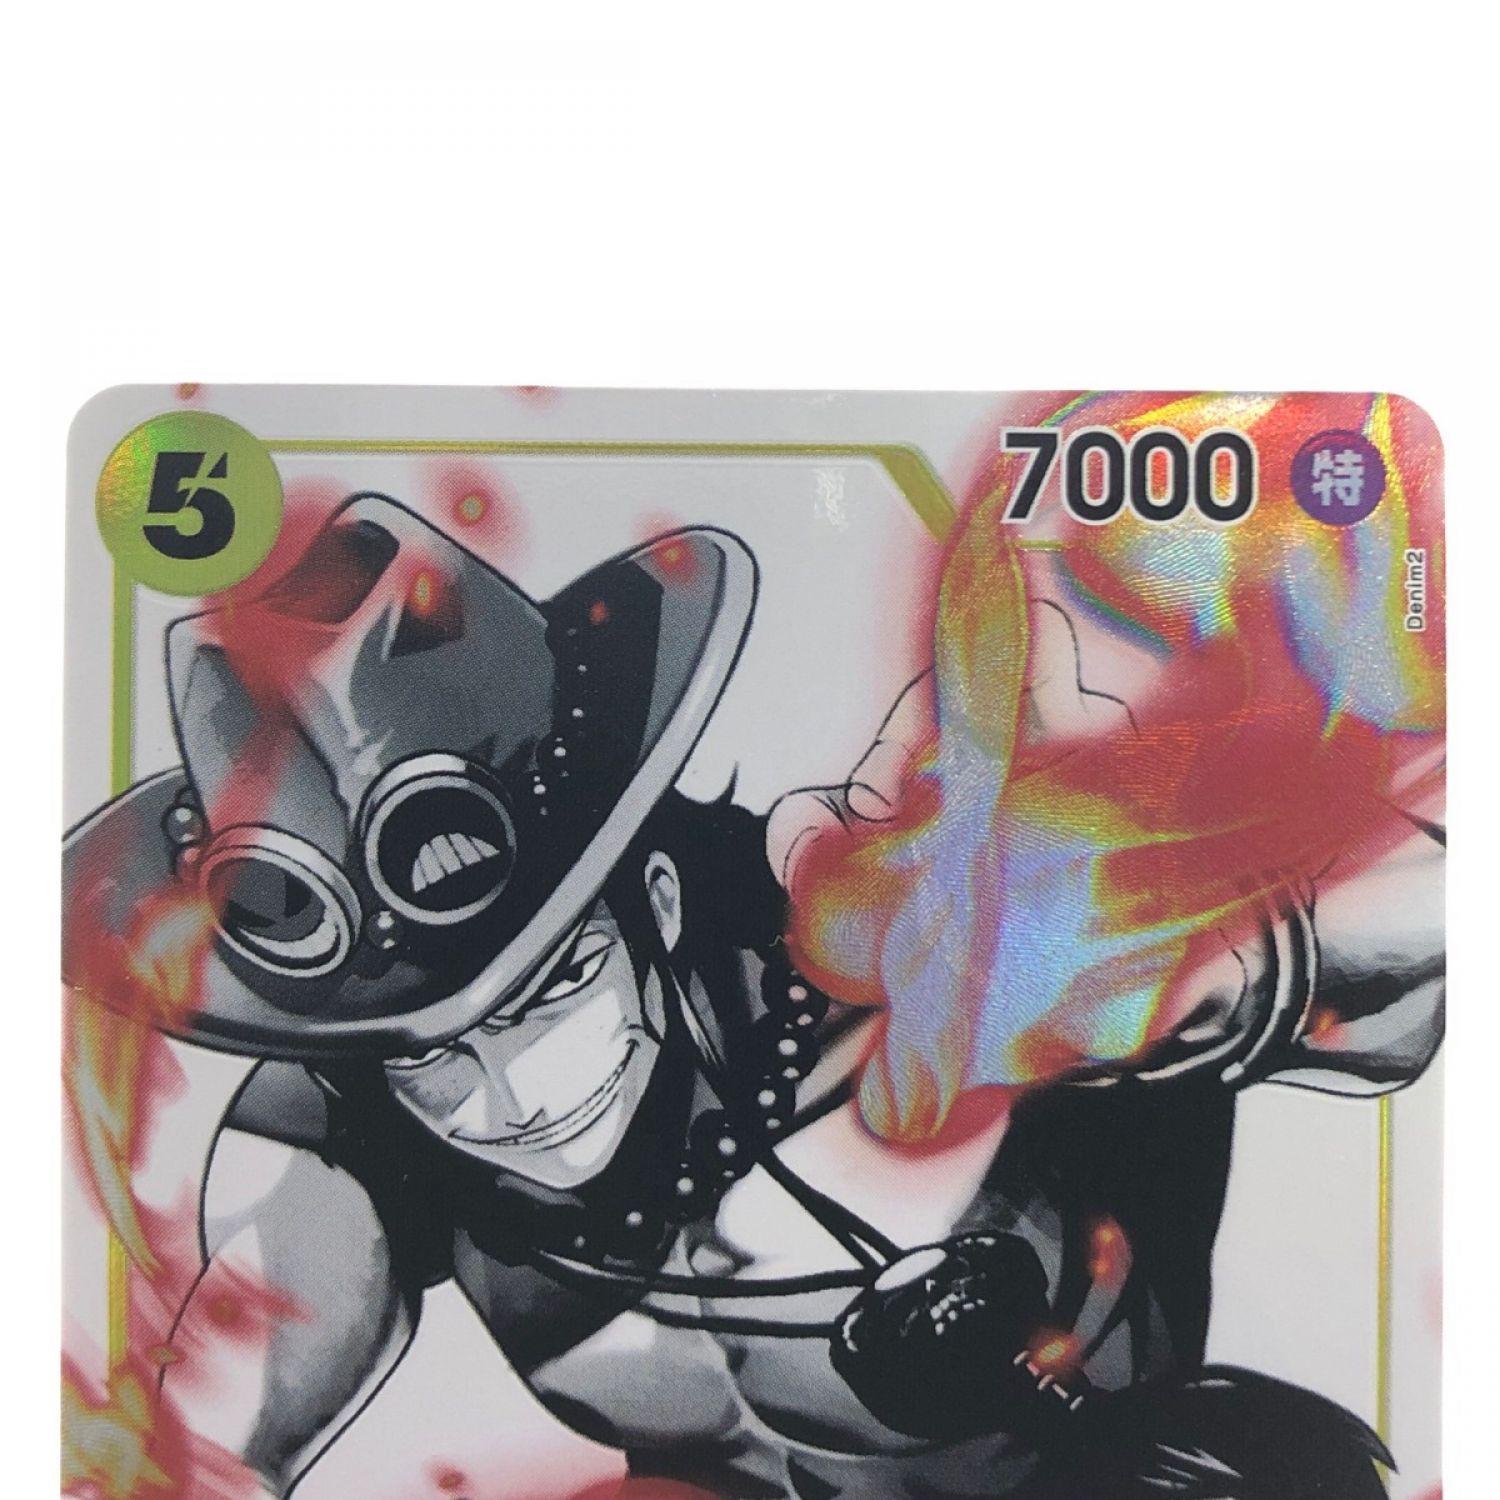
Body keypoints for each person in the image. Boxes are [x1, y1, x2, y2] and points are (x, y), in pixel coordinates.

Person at [63, 494, 1444, 1499]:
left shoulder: (894, 937)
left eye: (554, 986)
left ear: (653, 898)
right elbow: (200, 1456)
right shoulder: (338, 1142)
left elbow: (1425, 943)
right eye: (431, 1056)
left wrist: (1180, 928)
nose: (510, 1097)